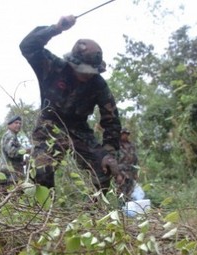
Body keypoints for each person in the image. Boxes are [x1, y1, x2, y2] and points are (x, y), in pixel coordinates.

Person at [19, 15, 122, 191]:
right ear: (73, 63)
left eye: (91, 72)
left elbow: (111, 122)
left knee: (104, 169)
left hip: (79, 129)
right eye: (83, 70)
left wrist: (109, 155)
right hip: (49, 124)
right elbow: (27, 46)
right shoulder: (53, 67)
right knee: (41, 172)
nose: (87, 75)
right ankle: (42, 214)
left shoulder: (99, 85)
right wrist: (56, 28)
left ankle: (98, 213)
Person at [0, 115, 29, 188]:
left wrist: (23, 162)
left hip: (9, 172)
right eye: (16, 123)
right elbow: (11, 152)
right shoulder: (10, 135)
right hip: (11, 174)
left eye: (20, 123)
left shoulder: (11, 136)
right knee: (14, 196)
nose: (18, 125)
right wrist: (26, 150)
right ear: (9, 125)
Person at [118, 128, 139, 200]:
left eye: (126, 134)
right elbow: (113, 160)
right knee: (120, 193)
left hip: (130, 172)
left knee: (130, 192)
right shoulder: (117, 146)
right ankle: (120, 208)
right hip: (121, 172)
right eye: (123, 134)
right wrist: (117, 174)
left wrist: (135, 173)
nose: (125, 136)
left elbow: (135, 159)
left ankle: (128, 208)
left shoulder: (131, 145)